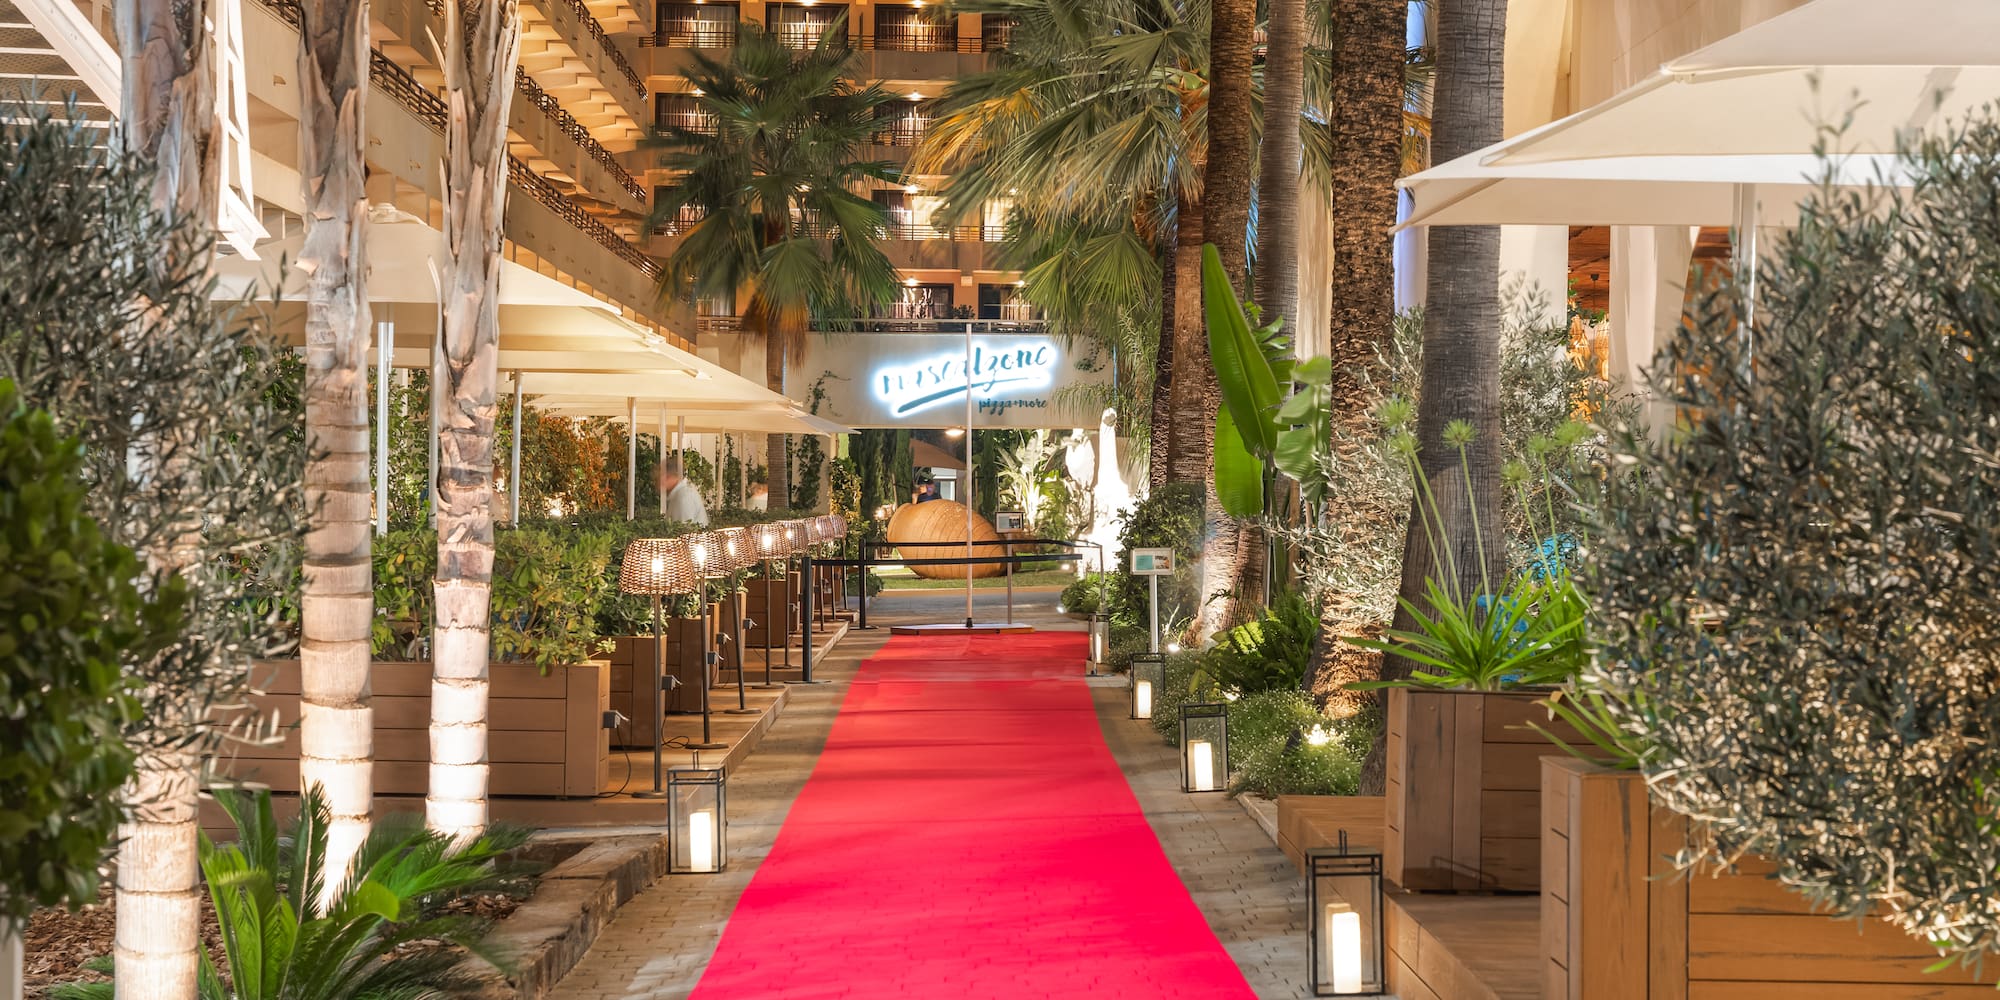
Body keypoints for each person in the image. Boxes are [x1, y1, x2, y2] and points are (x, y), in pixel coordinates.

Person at [658, 455, 709, 525]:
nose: (658, 482)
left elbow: (682, 528)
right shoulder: (680, 494)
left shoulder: (684, 496)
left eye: (659, 476)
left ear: (668, 476)